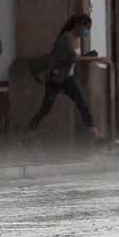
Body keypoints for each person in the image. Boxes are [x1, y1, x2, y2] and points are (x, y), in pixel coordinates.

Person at [25, 14, 111, 146]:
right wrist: (97, 59)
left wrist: (87, 57)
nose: (87, 31)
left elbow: (72, 59)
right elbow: (72, 58)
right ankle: (27, 137)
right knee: (45, 109)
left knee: (82, 105)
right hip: (55, 78)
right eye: (86, 28)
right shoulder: (66, 38)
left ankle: (97, 138)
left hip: (67, 78)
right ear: (78, 26)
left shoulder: (77, 39)